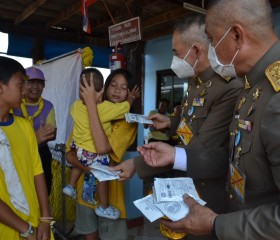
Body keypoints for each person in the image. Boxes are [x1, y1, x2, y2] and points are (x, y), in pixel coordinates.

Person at [139, 0, 280, 239]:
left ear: (236, 35)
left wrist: (217, 225)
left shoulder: (274, 98)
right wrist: (175, 155)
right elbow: (232, 158)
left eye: (213, 40)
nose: (210, 49)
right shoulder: (252, 85)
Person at [112, 13, 243, 239]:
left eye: (176, 53)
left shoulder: (227, 88)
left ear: (196, 51)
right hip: (184, 185)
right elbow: (191, 125)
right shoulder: (195, 82)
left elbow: (200, 147)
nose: (174, 60)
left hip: (207, 197)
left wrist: (137, 164)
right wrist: (171, 123)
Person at [66, 69, 139, 240]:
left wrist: (91, 105)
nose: (117, 90)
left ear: (130, 93)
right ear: (103, 89)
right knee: (89, 236)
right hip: (85, 194)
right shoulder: (83, 113)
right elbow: (70, 155)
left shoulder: (128, 121)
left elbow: (101, 149)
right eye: (113, 85)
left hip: (110, 198)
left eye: (123, 87)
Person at [0, 56, 54, 239]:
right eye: (21, 84)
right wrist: (26, 229)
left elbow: (37, 172)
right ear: (1, 87)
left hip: (35, 223)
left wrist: (45, 218)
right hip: (10, 228)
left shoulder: (24, 126)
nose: (26, 90)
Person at [13, 67, 57, 195]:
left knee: (43, 186)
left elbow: (52, 134)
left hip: (41, 152)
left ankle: (43, 213)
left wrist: (29, 137)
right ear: (23, 84)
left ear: (43, 86)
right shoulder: (14, 103)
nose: (35, 86)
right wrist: (36, 137)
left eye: (39, 82)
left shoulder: (48, 106)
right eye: (30, 82)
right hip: (18, 151)